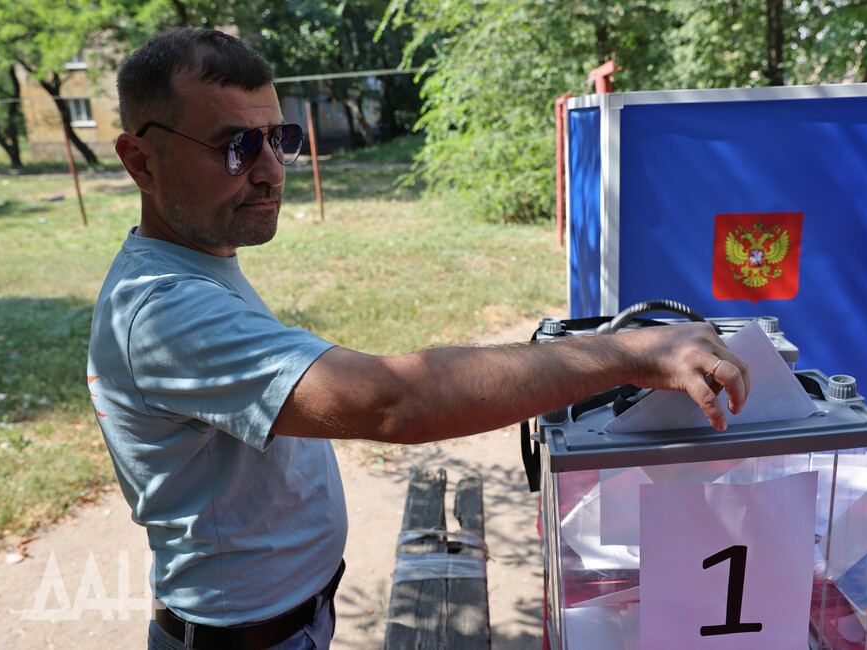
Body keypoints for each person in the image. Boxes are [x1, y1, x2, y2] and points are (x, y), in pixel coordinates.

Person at [87, 27, 750, 650]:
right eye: (236, 146)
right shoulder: (159, 310)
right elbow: (392, 402)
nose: (270, 170)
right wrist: (631, 354)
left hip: (287, 621)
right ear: (140, 160)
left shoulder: (198, 260)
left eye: (276, 137)